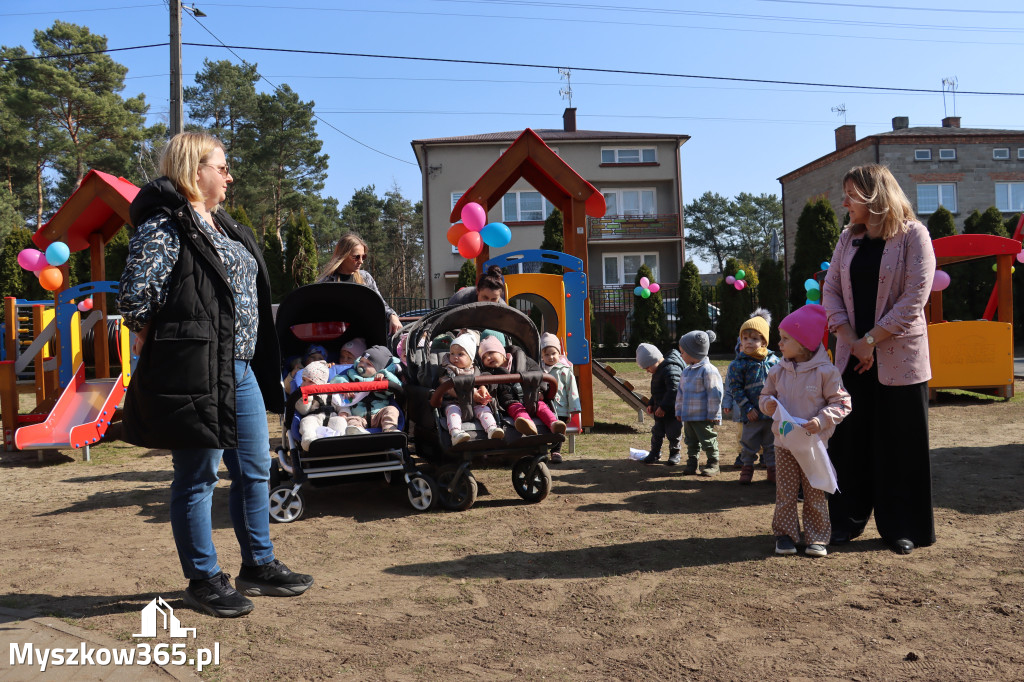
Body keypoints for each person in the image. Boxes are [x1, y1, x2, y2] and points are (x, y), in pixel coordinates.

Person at [117, 132, 312, 619]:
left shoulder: (225, 226)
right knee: (198, 475)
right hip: (196, 367)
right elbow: (136, 298)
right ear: (194, 169)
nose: (229, 176)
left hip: (241, 369)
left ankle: (258, 564)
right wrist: (153, 332)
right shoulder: (166, 225)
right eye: (222, 167)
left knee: (254, 468)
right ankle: (203, 579)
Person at [822, 163, 937, 555]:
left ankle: (903, 527)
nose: (845, 203)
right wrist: (853, 340)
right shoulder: (848, 239)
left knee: (900, 444)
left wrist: (871, 340)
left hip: (900, 360)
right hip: (852, 357)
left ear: (874, 196)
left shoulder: (914, 235)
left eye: (851, 195)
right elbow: (830, 291)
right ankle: (844, 522)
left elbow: (915, 298)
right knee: (849, 443)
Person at [760, 305, 852, 558]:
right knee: (786, 492)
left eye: (785, 338)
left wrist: (822, 420)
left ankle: (817, 537)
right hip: (784, 444)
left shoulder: (826, 372)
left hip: (814, 446)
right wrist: (767, 405)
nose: (779, 343)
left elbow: (842, 403)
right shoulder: (777, 371)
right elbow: (765, 396)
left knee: (815, 492)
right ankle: (785, 536)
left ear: (804, 343)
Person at [724, 309, 779, 484]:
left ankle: (772, 470)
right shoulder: (738, 364)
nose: (748, 342)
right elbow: (736, 388)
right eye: (745, 338)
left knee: (771, 444)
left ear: (764, 341)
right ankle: (747, 468)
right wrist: (747, 407)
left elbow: (781, 384)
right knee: (748, 443)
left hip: (771, 413)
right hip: (751, 414)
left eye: (754, 339)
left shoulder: (774, 361)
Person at [479, 335, 566, 436]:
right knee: (517, 410)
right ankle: (527, 424)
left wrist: (541, 390)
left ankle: (554, 423)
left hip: (531, 396)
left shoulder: (523, 360)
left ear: (501, 352)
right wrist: (483, 386)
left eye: (490, 353)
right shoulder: (491, 371)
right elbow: (486, 379)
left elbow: (538, 373)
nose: (488, 358)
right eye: (484, 357)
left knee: (542, 406)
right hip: (510, 400)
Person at [317, 233, 402, 334]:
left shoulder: (365, 278)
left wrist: (393, 316)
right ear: (343, 256)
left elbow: (380, 304)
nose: (361, 261)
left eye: (363, 256)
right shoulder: (326, 282)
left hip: (365, 335)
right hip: (335, 335)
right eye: (356, 257)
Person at [674, 330, 723, 476]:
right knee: (691, 440)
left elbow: (715, 393)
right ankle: (692, 462)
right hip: (688, 416)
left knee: (707, 439)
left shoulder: (708, 370)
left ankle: (713, 463)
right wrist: (679, 411)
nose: (681, 355)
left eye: (682, 352)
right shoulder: (686, 371)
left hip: (703, 416)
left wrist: (714, 414)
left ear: (693, 352)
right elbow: (680, 393)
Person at [440, 333, 503, 444]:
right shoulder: (448, 370)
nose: (455, 357)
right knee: (452, 412)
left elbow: (482, 381)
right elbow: (448, 387)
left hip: (473, 404)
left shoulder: (475, 370)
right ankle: (455, 433)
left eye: (460, 354)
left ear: (471, 358)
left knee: (485, 409)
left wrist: (482, 388)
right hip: (454, 402)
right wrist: (472, 393)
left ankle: (491, 428)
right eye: (452, 353)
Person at [334, 345, 402, 434]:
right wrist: (345, 387)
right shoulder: (351, 374)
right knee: (351, 420)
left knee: (391, 410)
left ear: (379, 369)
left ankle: (390, 430)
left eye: (369, 364)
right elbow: (336, 380)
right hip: (359, 416)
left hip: (378, 415)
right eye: (361, 361)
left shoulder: (382, 377)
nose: (362, 365)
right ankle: (357, 431)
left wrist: (386, 379)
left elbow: (398, 386)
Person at [635, 342, 684, 466]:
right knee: (657, 432)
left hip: (673, 410)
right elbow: (658, 390)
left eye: (647, 367)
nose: (647, 371)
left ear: (654, 361)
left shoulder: (670, 369)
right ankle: (655, 452)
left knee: (673, 433)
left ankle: (675, 453)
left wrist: (663, 407)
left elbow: (674, 390)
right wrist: (651, 403)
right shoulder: (658, 370)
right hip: (660, 410)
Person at [541, 333, 581, 464]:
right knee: (544, 428)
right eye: (547, 354)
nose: (551, 357)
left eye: (554, 353)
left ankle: (556, 451)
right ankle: (543, 451)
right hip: (545, 407)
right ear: (542, 356)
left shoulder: (564, 370)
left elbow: (571, 389)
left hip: (561, 407)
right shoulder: (540, 369)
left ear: (559, 353)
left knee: (559, 430)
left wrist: (574, 407)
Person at [295, 360, 353, 449]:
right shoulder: (303, 394)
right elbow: (303, 411)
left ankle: (340, 441)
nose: (305, 384)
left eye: (310, 381)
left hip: (332, 416)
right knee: (306, 422)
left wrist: (343, 413)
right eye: (304, 380)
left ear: (320, 383)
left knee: (340, 421)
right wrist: (307, 398)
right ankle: (309, 441)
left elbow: (341, 404)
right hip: (314, 416)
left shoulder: (331, 390)